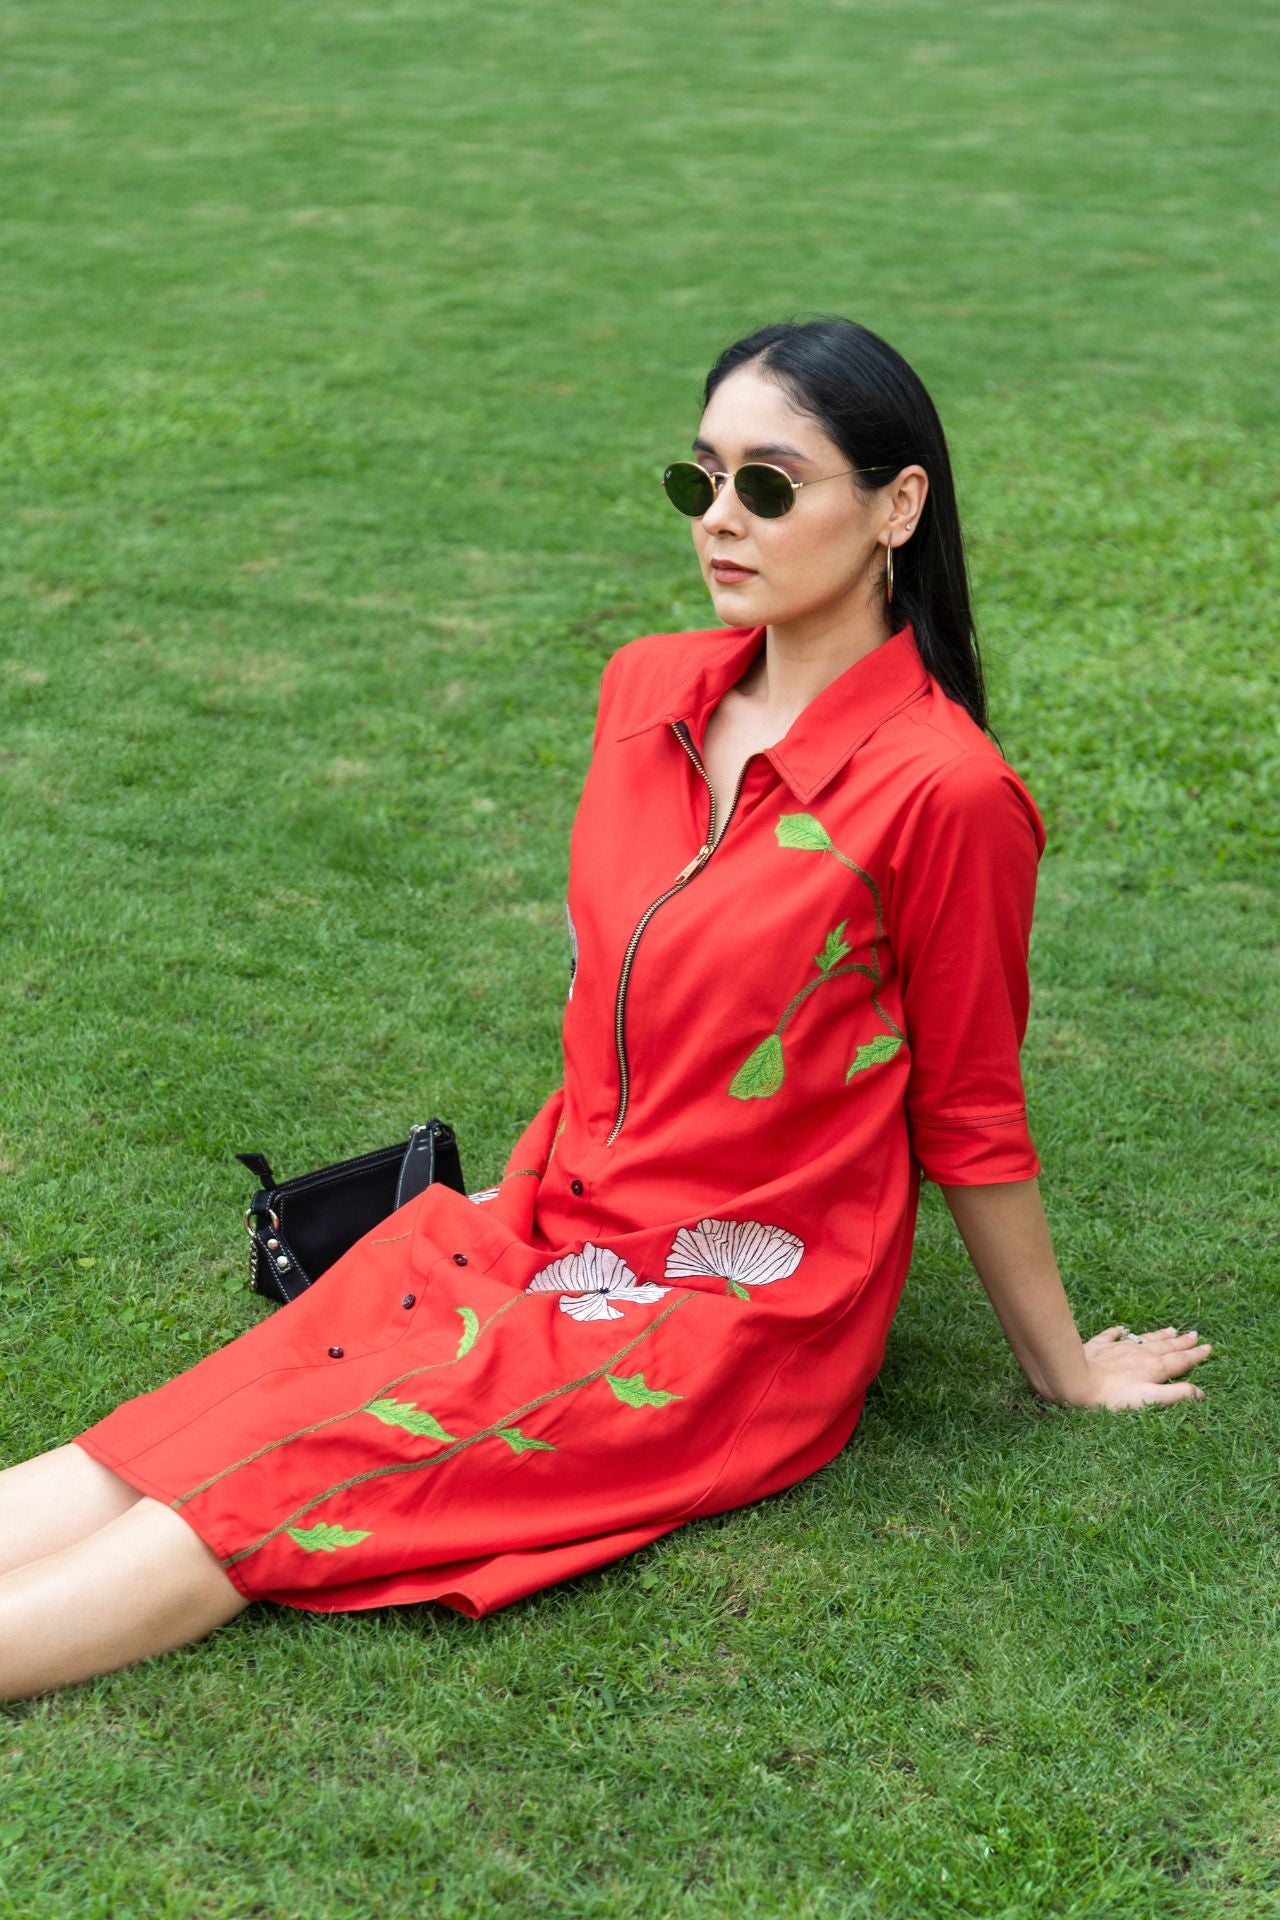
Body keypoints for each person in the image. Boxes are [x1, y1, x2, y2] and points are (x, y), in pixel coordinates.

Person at [0, 315, 1213, 1702]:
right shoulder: (645, 690)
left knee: (291, 1480)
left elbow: (969, 1108)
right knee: (197, 1421)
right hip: (541, 1220)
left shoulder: (945, 794)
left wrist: (1058, 1368)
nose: (720, 520)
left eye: (770, 484)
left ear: (898, 505)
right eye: (698, 480)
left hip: (723, 1302)